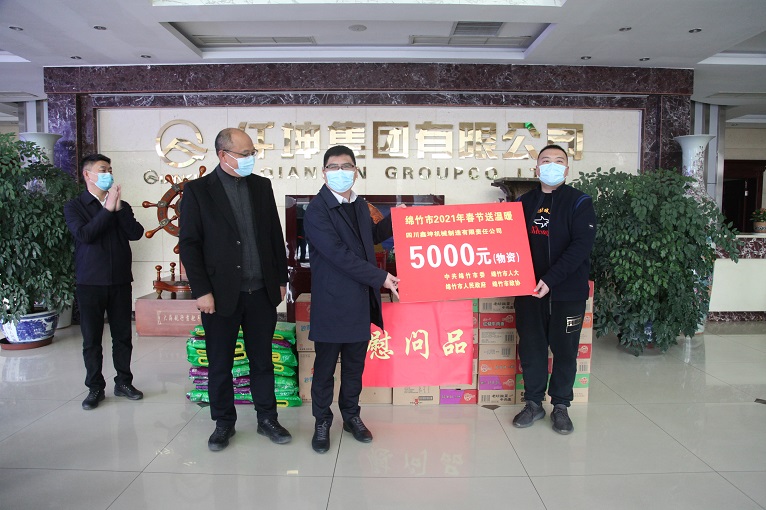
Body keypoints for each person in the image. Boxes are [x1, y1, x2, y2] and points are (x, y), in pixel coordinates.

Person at [179, 127, 291, 451]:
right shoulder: (198, 191)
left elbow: (274, 235)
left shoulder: (261, 186)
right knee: (220, 363)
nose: (250, 158)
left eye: (252, 153)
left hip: (261, 291)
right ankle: (223, 423)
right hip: (218, 295)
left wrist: (280, 280)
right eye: (244, 154)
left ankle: (267, 419)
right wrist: (201, 291)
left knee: (262, 361)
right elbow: (189, 245)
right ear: (223, 155)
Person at [304, 145, 401, 454]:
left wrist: (398, 218)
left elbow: (369, 237)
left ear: (356, 172)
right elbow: (338, 255)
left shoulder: (358, 205)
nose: (340, 172)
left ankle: (351, 416)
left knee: (355, 367)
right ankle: (322, 421)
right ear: (323, 173)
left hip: (359, 300)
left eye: (346, 166)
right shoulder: (317, 210)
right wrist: (380, 277)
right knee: (324, 369)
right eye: (333, 167)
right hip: (332, 303)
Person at [513, 144, 596, 434]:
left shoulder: (580, 202)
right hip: (529, 292)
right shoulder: (522, 203)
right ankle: (533, 403)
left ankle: (560, 405)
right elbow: (506, 243)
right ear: (536, 168)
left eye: (559, 161)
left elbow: (580, 247)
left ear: (567, 169)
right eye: (546, 160)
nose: (552, 165)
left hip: (567, 292)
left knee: (565, 351)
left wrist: (550, 279)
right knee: (532, 348)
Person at [64, 154, 145, 410]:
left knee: (123, 336)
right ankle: (95, 388)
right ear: (87, 174)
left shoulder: (122, 205)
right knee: (91, 339)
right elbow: (85, 235)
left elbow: (136, 233)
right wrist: (107, 210)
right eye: (103, 169)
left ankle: (124, 383)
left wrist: (118, 209)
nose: (108, 173)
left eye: (110, 169)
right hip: (90, 282)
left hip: (120, 280)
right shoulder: (75, 206)